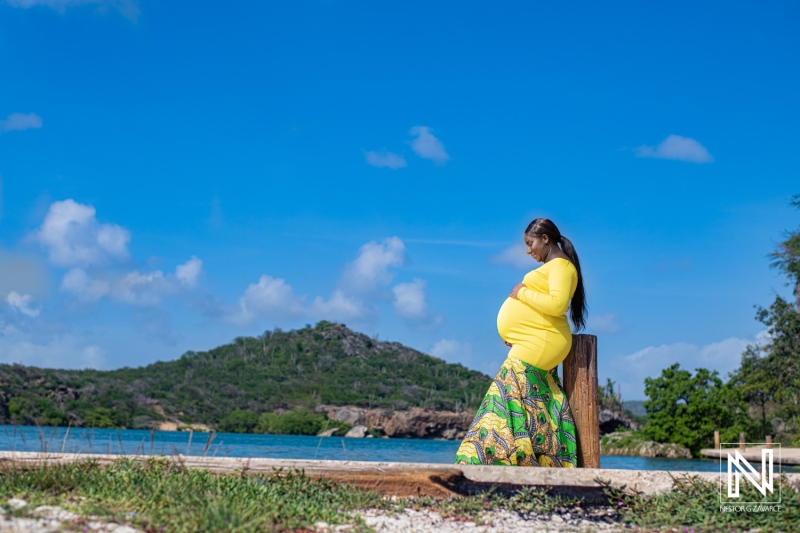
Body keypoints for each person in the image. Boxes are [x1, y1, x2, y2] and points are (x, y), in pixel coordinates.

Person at [456, 218, 587, 467]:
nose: (528, 250)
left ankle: (493, 457)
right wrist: (517, 331)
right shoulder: (555, 266)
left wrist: (521, 293)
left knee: (505, 393)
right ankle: (537, 457)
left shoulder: (561, 266)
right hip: (535, 339)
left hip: (543, 340)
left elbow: (558, 305)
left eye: (530, 243)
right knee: (528, 399)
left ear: (545, 239)